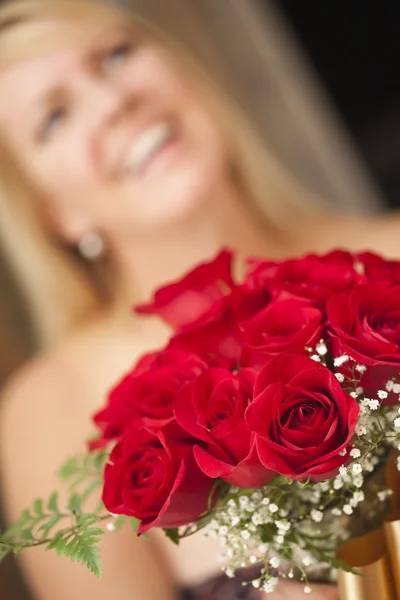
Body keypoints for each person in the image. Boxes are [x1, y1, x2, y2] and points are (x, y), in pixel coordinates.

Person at [0, 1, 398, 599]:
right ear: (53, 212)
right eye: (55, 118)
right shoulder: (53, 409)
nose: (114, 102)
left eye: (115, 54)